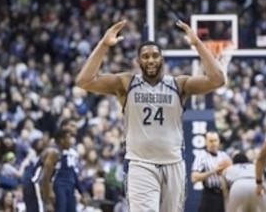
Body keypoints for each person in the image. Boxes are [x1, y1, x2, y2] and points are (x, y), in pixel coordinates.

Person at [76, 20, 230, 212]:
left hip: (173, 164)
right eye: (145, 56)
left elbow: (217, 79)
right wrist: (104, 45)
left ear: (162, 59)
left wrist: (198, 44)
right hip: (140, 165)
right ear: (138, 61)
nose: (150, 60)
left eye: (155, 56)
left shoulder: (178, 84)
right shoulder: (126, 83)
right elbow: (84, 80)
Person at [22, 129, 73, 212]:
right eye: (69, 139)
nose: (71, 142)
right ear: (62, 140)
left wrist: (50, 191)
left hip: (37, 185)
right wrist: (47, 201)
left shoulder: (58, 152)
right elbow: (44, 178)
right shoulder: (52, 152)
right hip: (35, 184)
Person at [191, 131, 230, 212]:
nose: (214, 143)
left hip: (223, 194)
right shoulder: (201, 156)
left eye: (215, 140)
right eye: (211, 141)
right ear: (206, 142)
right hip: (209, 193)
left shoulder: (224, 155)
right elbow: (194, 177)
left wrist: (225, 173)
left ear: (219, 141)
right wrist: (213, 171)